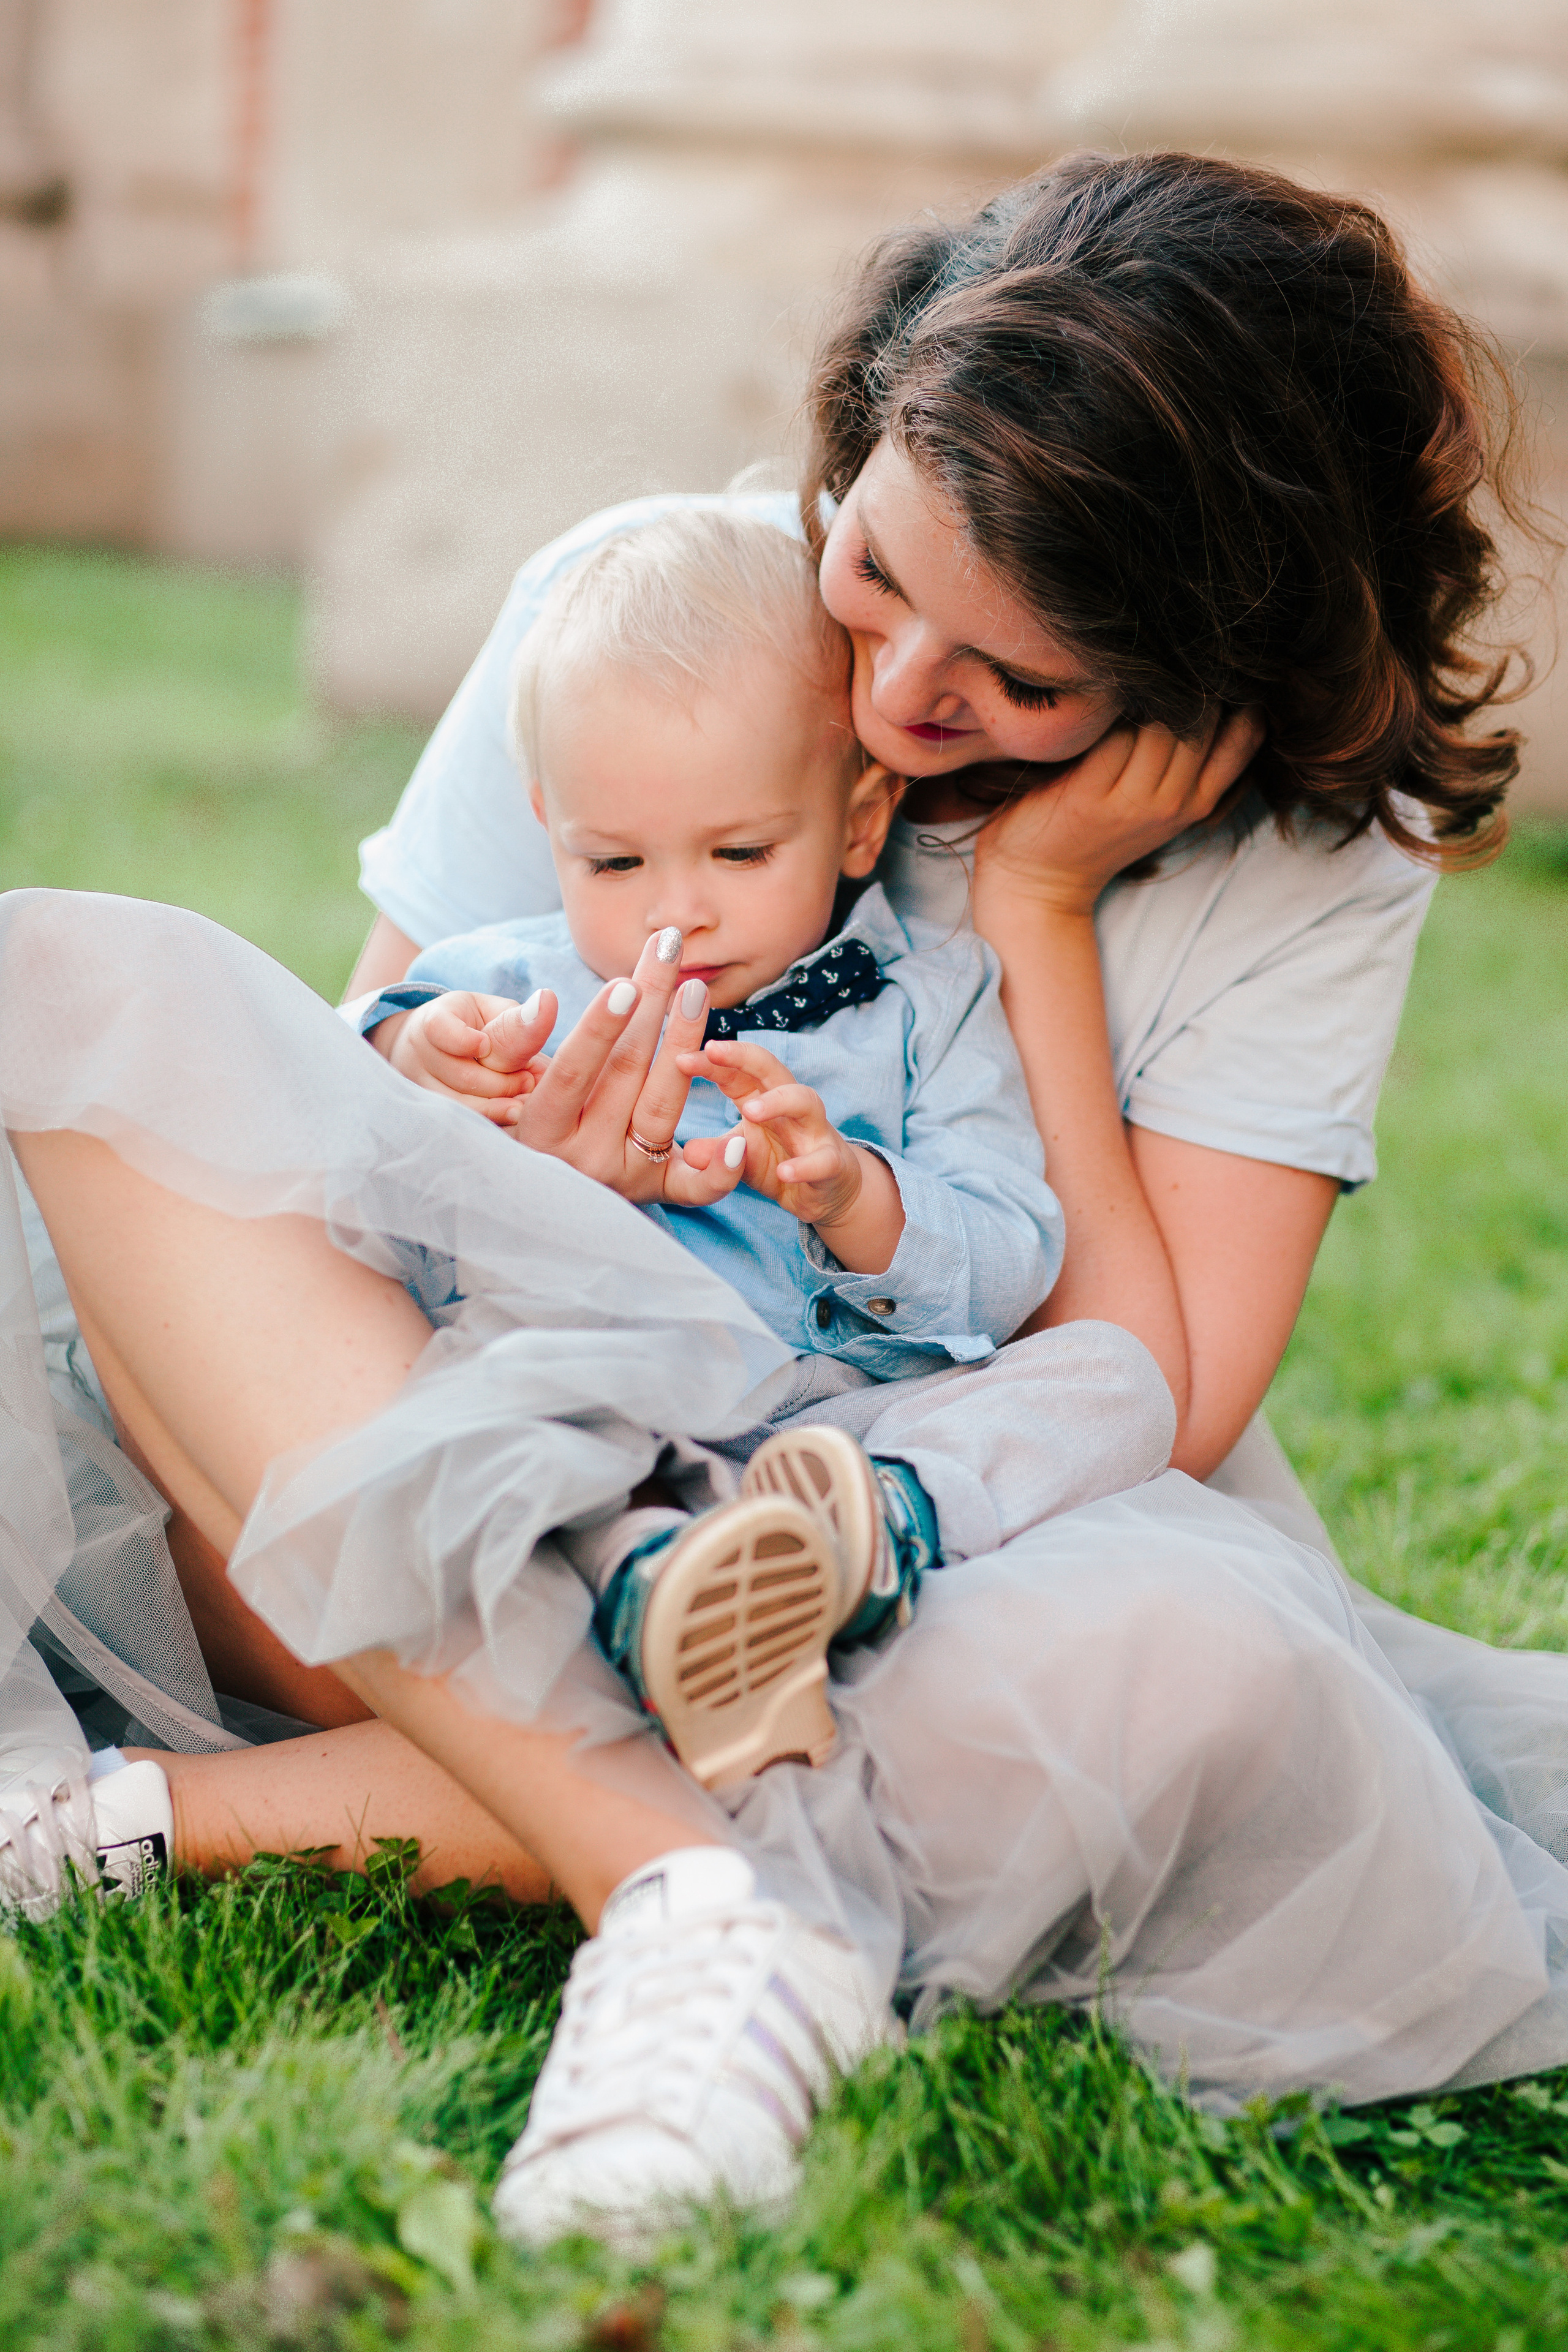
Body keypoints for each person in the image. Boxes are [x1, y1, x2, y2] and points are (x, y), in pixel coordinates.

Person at [6, 152, 1568, 2252]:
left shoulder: (1298, 867)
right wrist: (511, 1155)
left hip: (866, 1547)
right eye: (878, 571)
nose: (903, 695)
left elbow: (1147, 1394)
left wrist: (1034, 903)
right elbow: (325, 1118)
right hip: (417, 1483)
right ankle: (697, 1878)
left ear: (1216, 676)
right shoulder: (649, 609)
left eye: (1017, 682)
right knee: (75, 986)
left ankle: (189, 1829)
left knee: (1181, 1668)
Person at [345, 503, 1106, 1785]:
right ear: (547, 824)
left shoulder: (928, 1001)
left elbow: (1014, 1256)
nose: (673, 912)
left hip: (855, 1428)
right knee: (482, 1404)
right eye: (612, 859)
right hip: (612, 1406)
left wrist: (856, 1196)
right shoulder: (504, 985)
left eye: (740, 852)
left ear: (859, 823)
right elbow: (332, 1113)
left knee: (1106, 1377)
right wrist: (416, 1065)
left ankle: (871, 1540)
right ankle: (648, 1577)